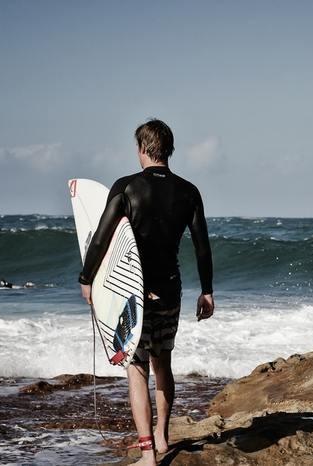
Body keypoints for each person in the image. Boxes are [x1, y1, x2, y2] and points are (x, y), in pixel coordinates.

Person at [78, 119, 214, 465]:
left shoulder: (126, 188)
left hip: (132, 293)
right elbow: (202, 247)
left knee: (136, 368)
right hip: (170, 290)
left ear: (142, 148)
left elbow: (102, 238)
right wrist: (207, 291)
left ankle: (148, 455)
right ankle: (163, 437)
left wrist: (87, 278)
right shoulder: (189, 191)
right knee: (162, 363)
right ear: (167, 150)